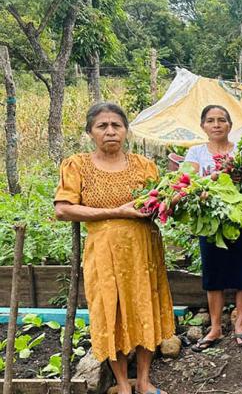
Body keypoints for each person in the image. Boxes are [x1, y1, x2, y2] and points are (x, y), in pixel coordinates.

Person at [54, 102, 174, 394]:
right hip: (104, 253)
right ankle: (122, 383)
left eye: (116, 125)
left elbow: (160, 202)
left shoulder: (144, 166)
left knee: (146, 307)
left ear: (126, 131)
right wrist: (117, 211)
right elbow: (63, 209)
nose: (110, 131)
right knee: (111, 311)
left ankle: (143, 380)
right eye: (102, 126)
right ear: (90, 132)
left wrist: (176, 197)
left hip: (143, 251)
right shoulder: (77, 165)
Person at [183, 105, 242, 351]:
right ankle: (215, 327)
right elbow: (189, 182)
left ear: (230, 125)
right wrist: (215, 177)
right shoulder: (196, 152)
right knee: (214, 274)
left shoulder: (241, 151)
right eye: (210, 120)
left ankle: (240, 324)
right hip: (211, 222)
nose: (216, 124)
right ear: (203, 126)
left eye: (221, 120)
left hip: (241, 218)